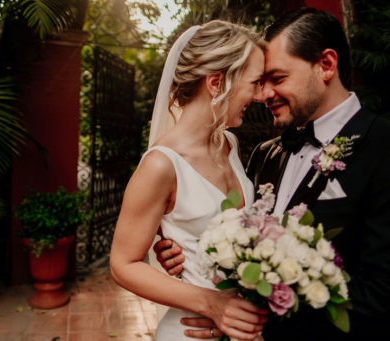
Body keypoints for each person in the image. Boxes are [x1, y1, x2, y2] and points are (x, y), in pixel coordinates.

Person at [155, 7, 390, 340]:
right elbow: (236, 234)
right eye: (260, 82)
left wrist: (263, 304)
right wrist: (190, 253)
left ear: (326, 64)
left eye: (277, 79)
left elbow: (381, 295)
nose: (263, 95)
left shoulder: (381, 147)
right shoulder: (267, 154)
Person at [109, 20, 269, 341]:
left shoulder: (229, 144)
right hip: (193, 331)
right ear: (216, 83)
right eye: (255, 82)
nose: (263, 95)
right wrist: (212, 304)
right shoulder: (161, 165)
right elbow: (123, 264)